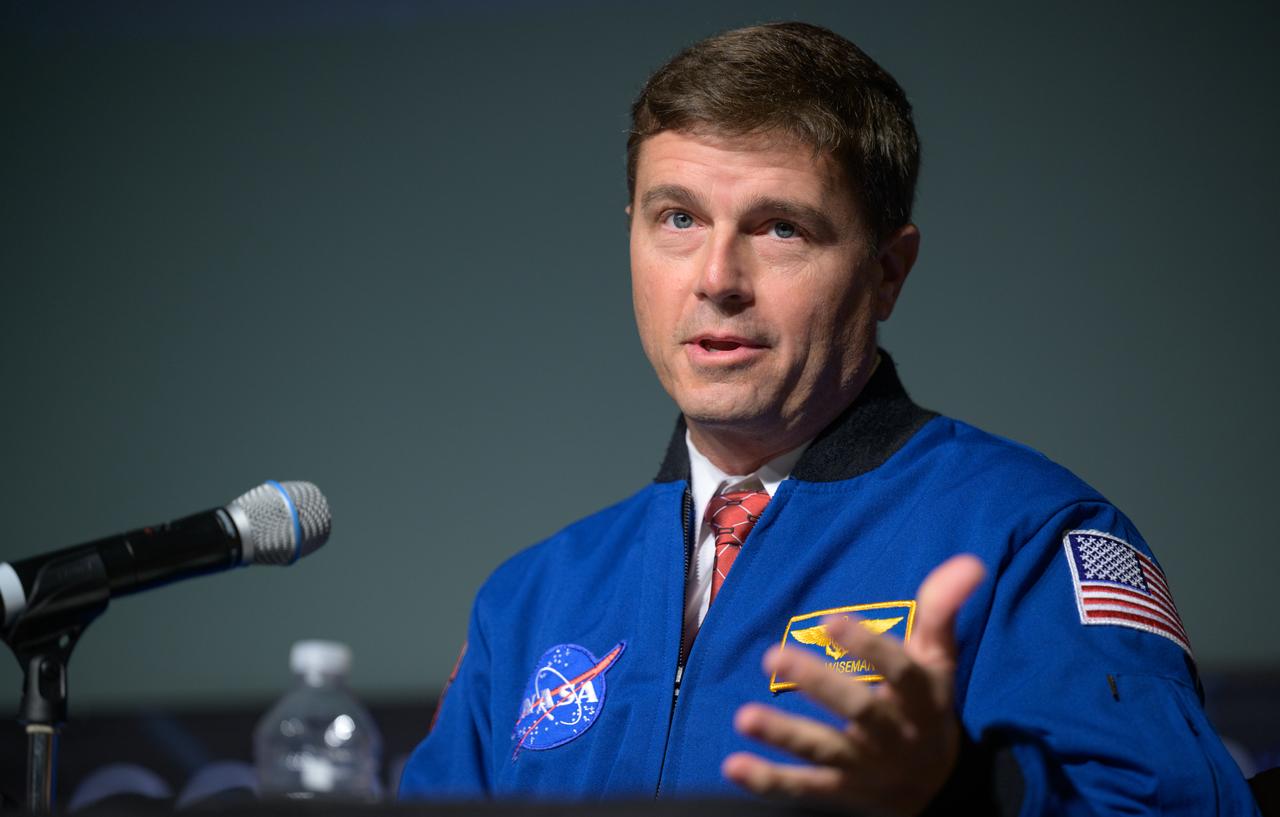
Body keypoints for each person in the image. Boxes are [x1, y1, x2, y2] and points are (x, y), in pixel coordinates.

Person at [399, 21, 1260, 815]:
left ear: (889, 270)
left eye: (780, 228)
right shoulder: (528, 602)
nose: (715, 278)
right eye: (678, 218)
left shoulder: (1027, 539)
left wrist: (962, 790)